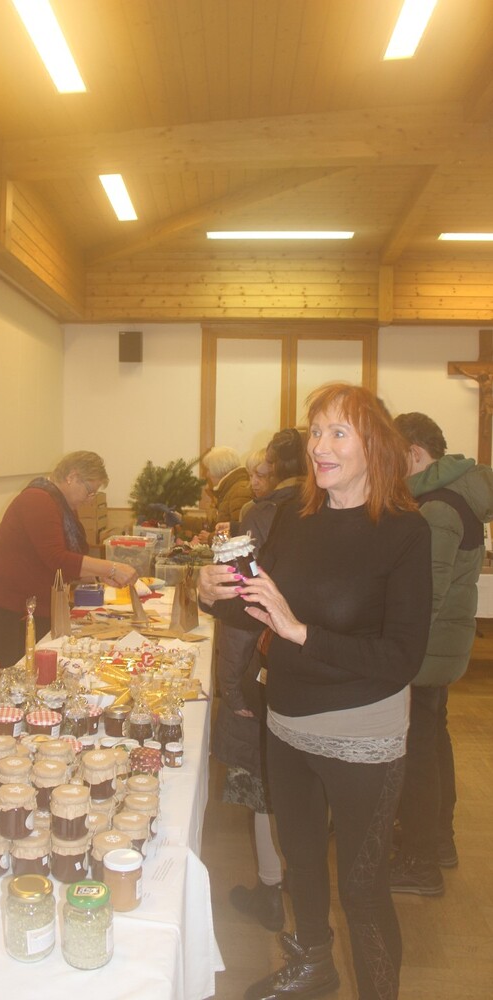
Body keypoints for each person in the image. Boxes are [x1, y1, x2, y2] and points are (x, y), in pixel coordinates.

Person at [199, 383, 432, 1000]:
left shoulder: (405, 533)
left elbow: (401, 659)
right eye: (316, 432)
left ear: (373, 447)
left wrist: (301, 633)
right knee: (300, 862)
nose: (319, 446)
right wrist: (212, 596)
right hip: (287, 726)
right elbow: (262, 612)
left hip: (363, 736)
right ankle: (313, 967)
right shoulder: (297, 520)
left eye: (337, 432)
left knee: (361, 887)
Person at [389, 412, 493, 895]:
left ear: (414, 453)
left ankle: (420, 861)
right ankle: (438, 842)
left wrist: (397, 650)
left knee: (418, 753)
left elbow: (424, 596)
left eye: (394, 456)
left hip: (426, 649)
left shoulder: (438, 507)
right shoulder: (455, 494)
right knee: (432, 741)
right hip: (440, 646)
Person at [212, 427, 306, 932]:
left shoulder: (262, 515)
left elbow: (239, 613)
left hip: (262, 666)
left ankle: (270, 890)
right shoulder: (330, 511)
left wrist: (231, 687)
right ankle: (296, 885)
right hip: (310, 671)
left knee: (262, 781)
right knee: (299, 785)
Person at [0, 451, 137, 667]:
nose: (90, 499)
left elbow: (69, 558)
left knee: (38, 673)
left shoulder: (59, 504)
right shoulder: (37, 500)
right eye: (90, 491)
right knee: (13, 675)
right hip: (9, 608)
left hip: (34, 604)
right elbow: (57, 558)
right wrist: (111, 568)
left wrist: (98, 574)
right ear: (72, 477)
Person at [197, 446, 252, 542]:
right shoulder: (230, 490)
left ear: (218, 470)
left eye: (208, 470)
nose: (207, 474)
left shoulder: (239, 491)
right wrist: (182, 520)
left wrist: (210, 538)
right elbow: (213, 524)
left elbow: (241, 533)